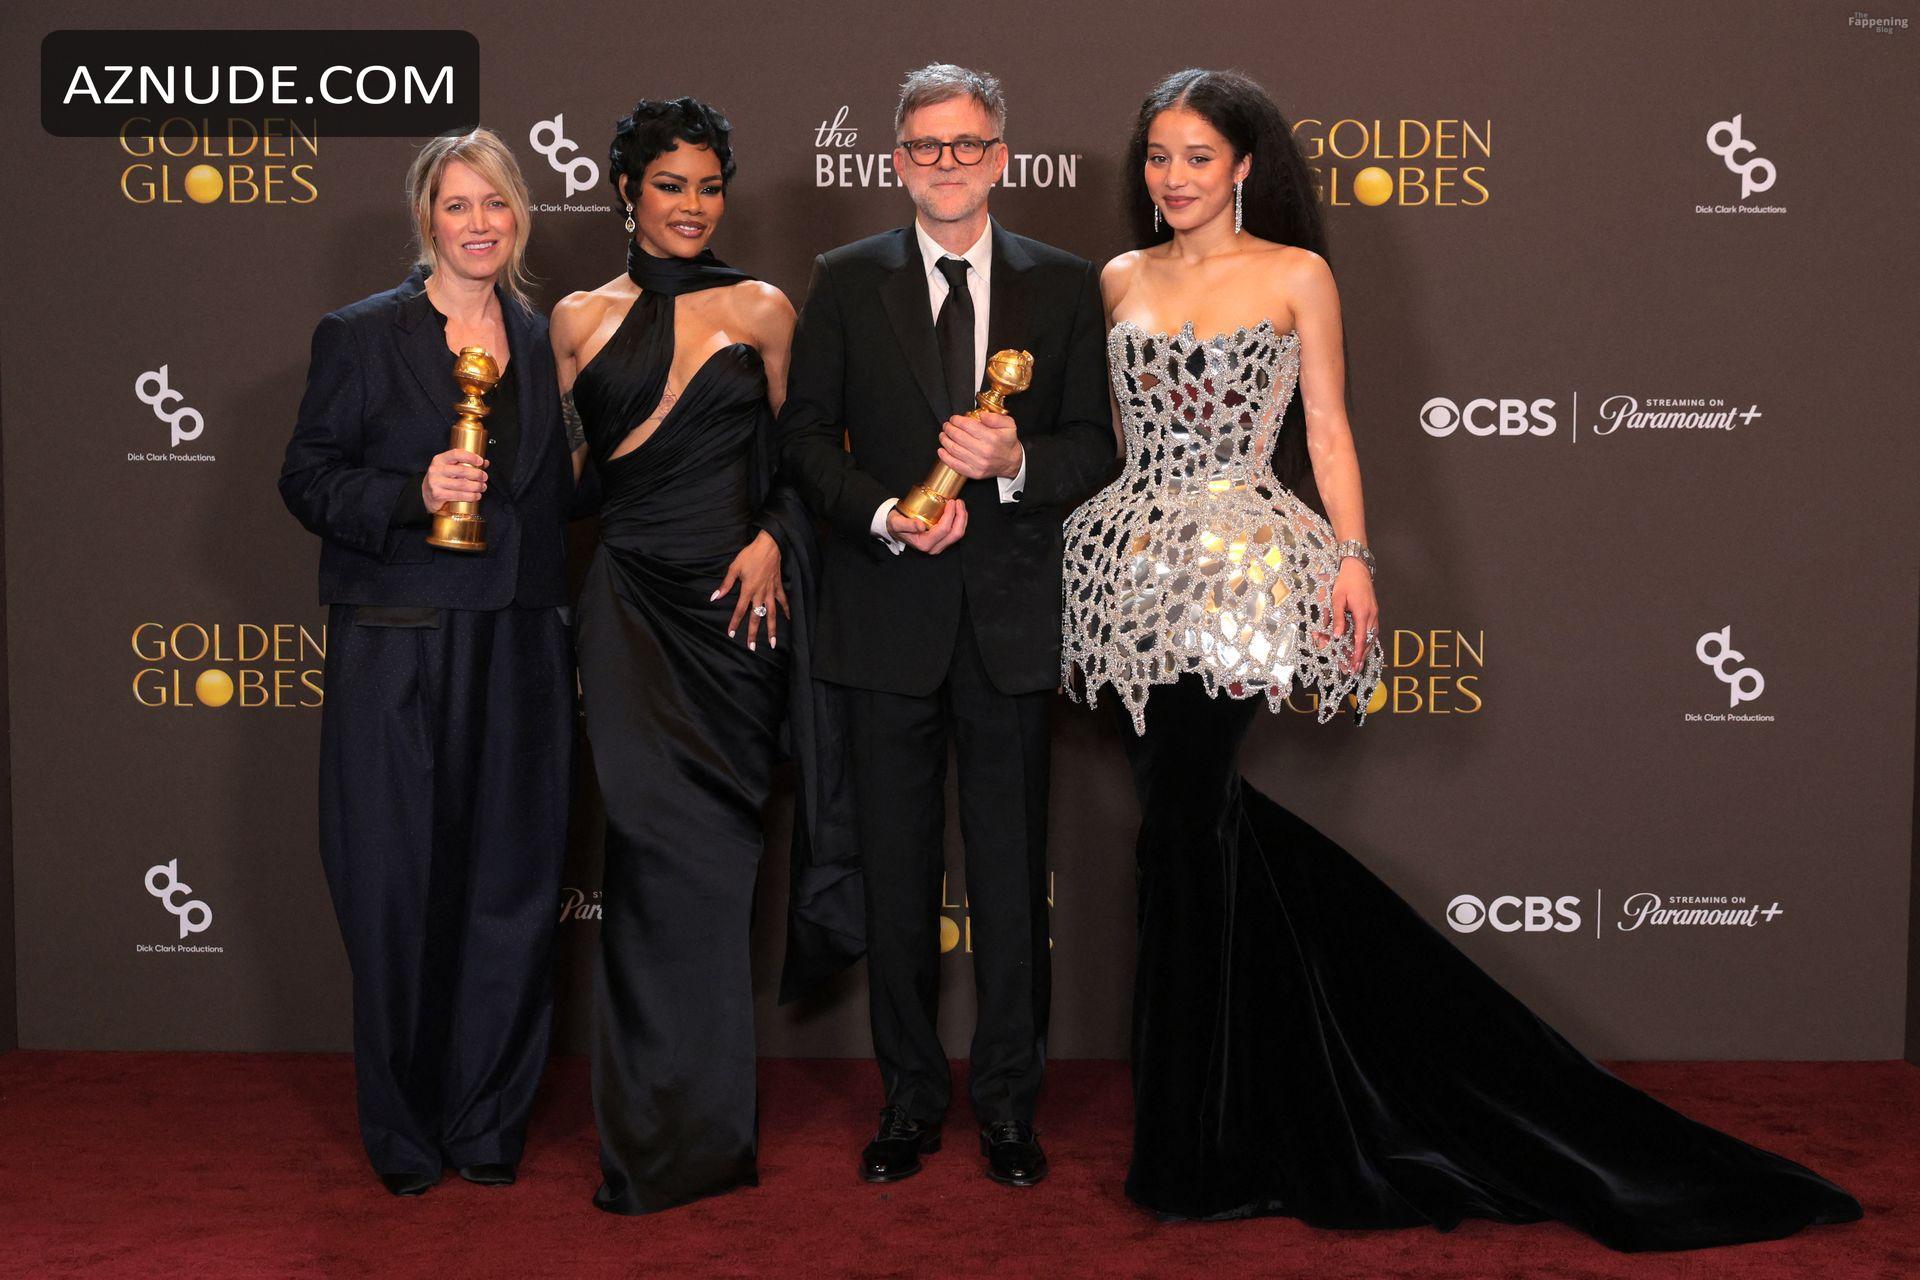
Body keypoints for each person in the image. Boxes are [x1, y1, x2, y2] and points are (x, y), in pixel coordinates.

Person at [1061, 67, 1861, 1252]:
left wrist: (1353, 560)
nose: (1172, 178)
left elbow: (1327, 426)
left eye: (1196, 156)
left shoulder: (1296, 272)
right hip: (1131, 573)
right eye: (1158, 157)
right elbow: (1115, 435)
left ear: (1243, 166)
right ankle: (1286, 1076)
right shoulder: (1119, 278)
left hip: (1239, 575)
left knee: (1183, 824)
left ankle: (1197, 1142)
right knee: (1198, 831)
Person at [779, 64, 1116, 1188]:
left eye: (967, 145)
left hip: (1010, 623)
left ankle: (1010, 1107)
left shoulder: (1063, 285)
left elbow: (1095, 445)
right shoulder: (844, 279)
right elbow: (803, 439)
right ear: (897, 161)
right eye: (926, 146)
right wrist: (885, 514)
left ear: (1001, 158)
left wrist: (1016, 464)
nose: (947, 164)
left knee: (1013, 882)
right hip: (886, 619)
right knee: (897, 879)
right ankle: (910, 1101)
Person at [553, 96, 860, 1216]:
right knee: (644, 858)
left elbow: (806, 462)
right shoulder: (575, 320)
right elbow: (566, 489)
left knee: (721, 865)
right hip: (630, 609)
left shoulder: (764, 307)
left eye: (709, 186)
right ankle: (644, 1141)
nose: (692, 206)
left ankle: (714, 1133)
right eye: (670, 185)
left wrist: (777, 536)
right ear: (625, 192)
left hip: (736, 614)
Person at [279, 128, 574, 1197]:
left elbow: (565, 490)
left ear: (520, 215)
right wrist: (413, 493)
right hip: (398, 644)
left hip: (521, 642)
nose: (479, 224)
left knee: (512, 889)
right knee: (394, 892)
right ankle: (404, 1135)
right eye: (458, 205)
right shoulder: (361, 335)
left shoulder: (547, 338)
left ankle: (486, 1121)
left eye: (495, 203)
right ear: (426, 219)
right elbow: (307, 477)